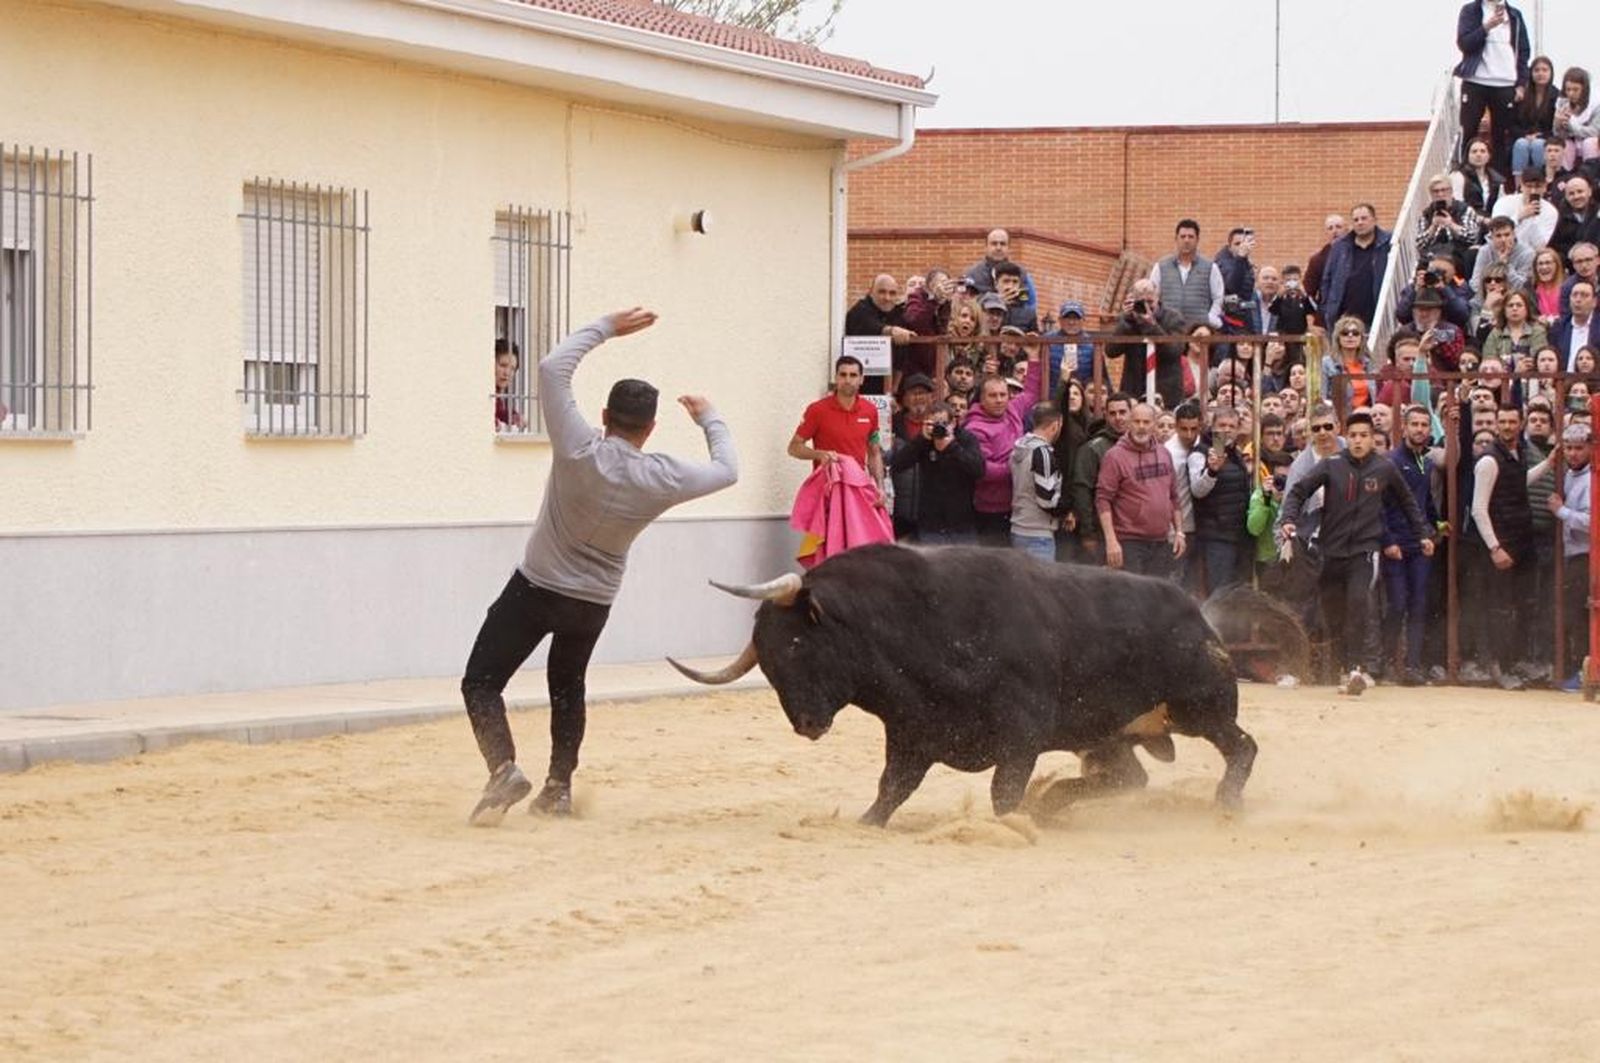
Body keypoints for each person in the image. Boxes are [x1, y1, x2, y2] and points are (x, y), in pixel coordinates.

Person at [462, 309, 738, 824]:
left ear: (605, 416)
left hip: (536, 585)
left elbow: (550, 369)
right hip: (592, 601)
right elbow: (727, 470)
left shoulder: (577, 445)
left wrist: (606, 328)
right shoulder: (662, 476)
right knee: (567, 688)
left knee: (481, 680)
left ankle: (503, 768)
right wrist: (709, 417)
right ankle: (558, 788)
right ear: (650, 428)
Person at [1279, 411, 1435, 696]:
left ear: (1372, 440)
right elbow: (1298, 491)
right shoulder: (1331, 465)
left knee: (1357, 603)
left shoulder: (1384, 468)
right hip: (1330, 551)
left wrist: (1422, 534)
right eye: (1353, 436)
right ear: (1346, 438)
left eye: (1364, 435)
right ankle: (1341, 669)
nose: (1359, 441)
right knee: (1333, 613)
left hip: (1364, 551)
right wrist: (1289, 518)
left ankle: (1356, 668)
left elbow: (1407, 503)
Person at [1381, 405, 1442, 686]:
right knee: (1397, 604)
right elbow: (1380, 506)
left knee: (1418, 604)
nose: (1419, 429)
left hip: (1419, 543)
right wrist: (1388, 540)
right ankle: (1385, 663)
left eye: (1424, 425)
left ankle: (1413, 666)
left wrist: (1435, 530)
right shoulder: (1391, 462)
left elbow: (1426, 503)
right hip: (1397, 542)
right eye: (1414, 424)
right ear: (1403, 428)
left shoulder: (1426, 462)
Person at [1096, 401, 1184, 577]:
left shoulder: (1164, 453)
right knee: (1132, 602)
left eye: (1146, 422)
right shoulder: (1115, 456)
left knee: (1156, 599)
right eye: (1136, 422)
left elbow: (1173, 496)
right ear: (1129, 423)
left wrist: (1179, 532)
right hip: (1129, 543)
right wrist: (1111, 541)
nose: (1141, 427)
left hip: (1160, 541)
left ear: (1154, 425)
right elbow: (1103, 499)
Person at [788, 355, 888, 504]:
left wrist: (880, 487)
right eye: (843, 374)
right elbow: (793, 448)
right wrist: (819, 454)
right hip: (826, 490)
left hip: (857, 489)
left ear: (861, 379)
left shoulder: (870, 411)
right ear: (836, 377)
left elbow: (874, 452)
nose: (847, 380)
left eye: (853, 375)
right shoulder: (817, 410)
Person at [1452, 0, 1531, 177]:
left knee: (1501, 135)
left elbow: (1524, 51)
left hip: (1505, 83)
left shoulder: (1515, 16)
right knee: (1469, 129)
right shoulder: (1471, 10)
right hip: (1475, 80)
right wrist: (1486, 27)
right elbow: (1465, 43)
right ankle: (1465, 175)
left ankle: (1497, 179)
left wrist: (1521, 83)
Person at [889, 401, 983, 546]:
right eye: (933, 424)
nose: (938, 428)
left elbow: (979, 470)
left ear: (953, 423)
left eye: (943, 423)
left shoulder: (966, 439)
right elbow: (898, 465)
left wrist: (952, 447)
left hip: (962, 524)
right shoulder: (924, 441)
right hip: (931, 524)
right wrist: (921, 440)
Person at [966, 372, 1037, 547]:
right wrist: (1017, 466)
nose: (999, 400)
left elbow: (1032, 393)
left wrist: (1034, 356)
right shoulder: (974, 428)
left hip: (1018, 506)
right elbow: (984, 470)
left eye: (1003, 394)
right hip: (991, 509)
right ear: (981, 399)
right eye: (992, 395)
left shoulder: (1011, 410)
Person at [1189, 404, 1252, 592]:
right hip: (1216, 534)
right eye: (1222, 425)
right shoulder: (1200, 453)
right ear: (1212, 426)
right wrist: (1212, 471)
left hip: (1238, 533)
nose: (1227, 430)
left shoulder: (1236, 454)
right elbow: (1197, 490)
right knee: (1220, 592)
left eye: (1232, 426)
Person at [1549, 423, 1593, 689]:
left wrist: (1561, 511)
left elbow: (1593, 521)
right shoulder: (1570, 475)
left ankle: (1585, 672)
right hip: (1575, 555)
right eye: (1569, 448)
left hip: (1587, 555)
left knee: (1581, 616)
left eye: (1579, 448)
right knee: (1575, 615)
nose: (1574, 453)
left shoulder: (1590, 480)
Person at [1070, 392, 1133, 563]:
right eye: (1112, 413)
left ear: (1131, 413)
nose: (1118, 418)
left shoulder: (1144, 446)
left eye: (1122, 412)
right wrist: (1088, 533)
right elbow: (1082, 492)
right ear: (1105, 415)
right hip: (1102, 534)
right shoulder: (1092, 449)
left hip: (1135, 534)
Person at [1110, 278, 1188, 407]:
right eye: (1141, 302)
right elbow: (1111, 351)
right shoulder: (1128, 319)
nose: (1146, 306)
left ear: (1158, 298)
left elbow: (1175, 351)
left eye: (1150, 301)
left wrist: (1151, 326)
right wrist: (1127, 321)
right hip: (1134, 389)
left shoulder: (1173, 318)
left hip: (1166, 392)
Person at [1320, 204, 1391, 329]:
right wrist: (1327, 309)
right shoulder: (1340, 246)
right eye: (1356, 220)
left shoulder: (1389, 244)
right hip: (1344, 320)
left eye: (1364, 218)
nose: (1360, 223)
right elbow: (1327, 280)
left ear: (1374, 220)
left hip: (1377, 318)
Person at [1010, 402, 1065, 561]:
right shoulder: (1042, 453)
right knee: (1043, 585)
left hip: (1018, 528)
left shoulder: (1019, 448)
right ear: (1055, 425)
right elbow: (1047, 500)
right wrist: (1067, 505)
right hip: (1038, 534)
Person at [1148, 219, 1223, 329]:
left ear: (1197, 240)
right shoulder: (1160, 267)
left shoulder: (1210, 267)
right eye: (1182, 236)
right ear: (1176, 239)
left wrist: (1209, 318)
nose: (1186, 240)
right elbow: (1153, 296)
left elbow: (1218, 298)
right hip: (1168, 330)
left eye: (1190, 237)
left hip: (1199, 332)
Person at [888, 373, 937, 540]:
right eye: (913, 393)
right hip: (898, 512)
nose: (919, 397)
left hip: (931, 514)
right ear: (905, 398)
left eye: (923, 393)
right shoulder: (891, 424)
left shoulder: (939, 425)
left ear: (932, 397)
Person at [1415, 172, 1482, 271]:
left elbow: (1472, 237)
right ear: (1431, 194)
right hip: (1433, 256)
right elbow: (1419, 244)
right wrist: (1433, 227)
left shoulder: (1465, 210)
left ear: (1451, 191)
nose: (1440, 194)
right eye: (1436, 191)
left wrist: (1451, 224)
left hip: (1459, 255)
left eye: (1444, 190)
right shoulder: (1426, 214)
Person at [1510, 55, 1559, 179]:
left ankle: (1541, 182)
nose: (1540, 73)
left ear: (1551, 73)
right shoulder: (1522, 95)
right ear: (1531, 73)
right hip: (1523, 136)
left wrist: (1540, 136)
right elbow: (1513, 123)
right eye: (1536, 70)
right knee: (1521, 144)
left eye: (1544, 70)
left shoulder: (1557, 96)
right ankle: (1518, 186)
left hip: (1547, 137)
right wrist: (1525, 135)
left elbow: (1555, 127)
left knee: (1538, 144)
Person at [1492, 167, 1559, 252]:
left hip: (1531, 254)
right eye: (1529, 186)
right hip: (1501, 250)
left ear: (1545, 187)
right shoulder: (1504, 202)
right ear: (1522, 186)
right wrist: (1519, 216)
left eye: (1538, 187)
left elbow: (1541, 245)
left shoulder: (1551, 211)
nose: (1533, 191)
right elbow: (1496, 231)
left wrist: (1532, 220)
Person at [1553, 66, 1600, 171]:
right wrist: (1558, 124)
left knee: (1590, 143)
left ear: (1584, 89)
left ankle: (1591, 178)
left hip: (1590, 142)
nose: (1571, 94)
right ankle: (1564, 178)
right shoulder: (1562, 103)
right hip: (1572, 141)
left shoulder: (1596, 103)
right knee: (1563, 144)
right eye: (1568, 89)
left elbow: (1595, 131)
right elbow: (1557, 134)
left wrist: (1573, 127)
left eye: (1575, 90)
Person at [1304, 214, 1347, 321]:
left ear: (1346, 230)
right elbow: (1308, 292)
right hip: (1327, 316)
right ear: (1326, 233)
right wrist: (1315, 318)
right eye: (1330, 228)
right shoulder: (1317, 260)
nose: (1334, 231)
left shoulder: (1357, 255)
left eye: (1338, 227)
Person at [1046, 300, 1095, 390]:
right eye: (1067, 318)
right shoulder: (1048, 340)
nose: (1071, 322)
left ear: (1083, 320)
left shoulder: (1091, 344)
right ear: (1060, 320)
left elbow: (1100, 373)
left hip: (1081, 397)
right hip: (1052, 395)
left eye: (1076, 318)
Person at [1552, 279, 1600, 370]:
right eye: (1574, 295)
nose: (1578, 300)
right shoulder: (1559, 327)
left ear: (1594, 302)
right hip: (1564, 381)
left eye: (1584, 295)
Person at [1453, 137, 1504, 218]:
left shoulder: (1496, 179)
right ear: (1467, 156)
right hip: (1467, 221)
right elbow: (1458, 204)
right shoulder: (1459, 176)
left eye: (1483, 151)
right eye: (1474, 152)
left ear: (1489, 156)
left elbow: (1501, 204)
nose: (1478, 154)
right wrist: (1481, 219)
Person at [494, 339, 524, 430]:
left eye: (512, 369)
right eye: (503, 365)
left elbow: (499, 413)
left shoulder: (497, 393)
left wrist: (514, 417)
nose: (507, 373)